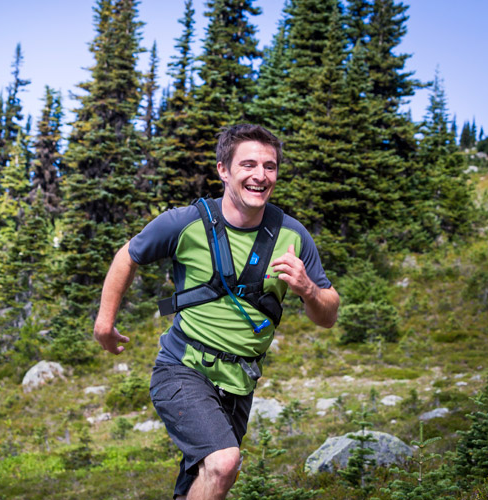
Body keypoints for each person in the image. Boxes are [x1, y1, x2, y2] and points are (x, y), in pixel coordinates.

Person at [93, 124, 339, 500]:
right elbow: (128, 255)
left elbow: (328, 314)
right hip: (183, 367)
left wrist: (307, 289)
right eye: (249, 164)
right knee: (224, 462)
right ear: (224, 170)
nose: (260, 175)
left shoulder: (293, 236)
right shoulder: (185, 223)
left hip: (240, 383)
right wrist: (104, 324)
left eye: (270, 167)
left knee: (208, 478)